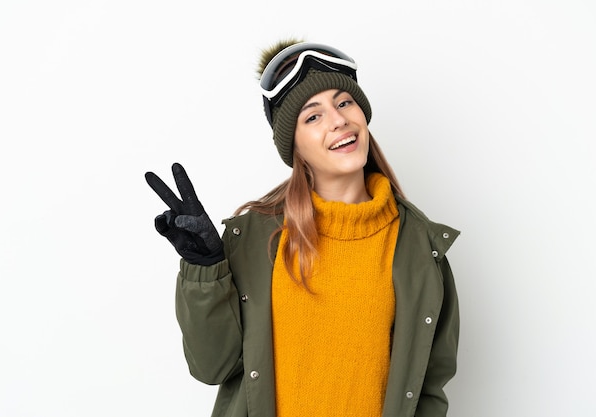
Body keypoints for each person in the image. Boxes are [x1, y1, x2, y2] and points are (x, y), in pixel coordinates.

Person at [145, 39, 460, 417]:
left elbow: (428, 387)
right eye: (313, 116)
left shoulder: (421, 248)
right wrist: (205, 269)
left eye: (344, 103)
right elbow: (213, 367)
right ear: (293, 144)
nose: (338, 120)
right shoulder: (256, 240)